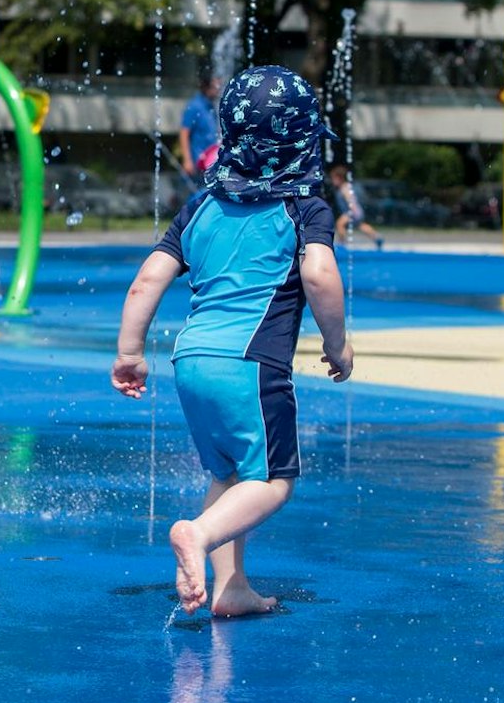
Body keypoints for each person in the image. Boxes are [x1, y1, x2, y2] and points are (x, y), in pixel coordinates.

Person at [112, 64, 353, 618]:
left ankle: (231, 587)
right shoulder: (304, 208)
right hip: (252, 363)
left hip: (190, 359)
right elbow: (318, 274)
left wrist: (129, 353)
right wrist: (337, 345)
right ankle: (195, 535)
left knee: (229, 474)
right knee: (271, 482)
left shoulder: (200, 206)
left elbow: (149, 276)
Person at [175, 73, 225, 182]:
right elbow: (184, 133)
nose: (218, 90)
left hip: (211, 161)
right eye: (215, 86)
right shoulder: (194, 106)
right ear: (206, 87)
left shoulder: (211, 105)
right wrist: (187, 160)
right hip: (198, 162)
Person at [327, 163, 385, 250]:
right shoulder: (345, 187)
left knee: (339, 224)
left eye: (334, 179)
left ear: (340, 178)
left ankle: (342, 243)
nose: (332, 181)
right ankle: (377, 237)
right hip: (356, 211)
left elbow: (350, 200)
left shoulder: (344, 188)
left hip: (352, 211)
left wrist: (353, 210)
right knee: (361, 226)